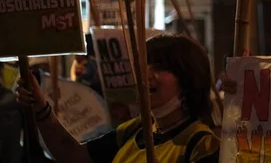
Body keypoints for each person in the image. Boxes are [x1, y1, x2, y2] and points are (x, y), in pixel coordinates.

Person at [16, 34, 220, 163]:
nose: (147, 73)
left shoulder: (202, 144)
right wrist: (41, 105)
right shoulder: (135, 130)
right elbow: (70, 154)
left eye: (160, 67)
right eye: (145, 65)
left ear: (188, 79)